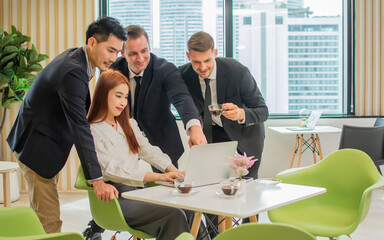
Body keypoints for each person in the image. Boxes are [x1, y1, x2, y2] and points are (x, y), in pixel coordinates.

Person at [6, 17, 127, 233]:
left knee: (41, 215)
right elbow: (79, 126)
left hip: (40, 139)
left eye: (117, 52)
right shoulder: (73, 70)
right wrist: (97, 180)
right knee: (50, 223)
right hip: (36, 148)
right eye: (110, 50)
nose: (113, 58)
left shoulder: (79, 58)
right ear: (92, 42)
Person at [85, 69, 210, 240]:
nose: (123, 102)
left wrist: (172, 170)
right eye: (118, 96)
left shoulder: (128, 124)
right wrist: (159, 177)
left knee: (187, 208)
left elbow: (148, 150)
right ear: (102, 95)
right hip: (116, 200)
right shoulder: (92, 131)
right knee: (174, 215)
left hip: (138, 192)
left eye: (126, 97)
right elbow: (113, 170)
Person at [179, 31, 269, 238]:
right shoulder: (183, 75)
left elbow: (263, 111)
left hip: (245, 137)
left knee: (247, 194)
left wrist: (240, 113)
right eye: (196, 62)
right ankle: (215, 235)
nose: (202, 67)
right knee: (209, 187)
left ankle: (250, 235)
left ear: (216, 53)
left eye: (207, 60)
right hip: (212, 137)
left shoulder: (237, 71)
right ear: (188, 57)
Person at [110, 25, 207, 169]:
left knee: (165, 188)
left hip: (161, 140)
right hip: (123, 139)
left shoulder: (164, 69)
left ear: (149, 46)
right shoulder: (114, 70)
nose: (140, 58)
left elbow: (181, 97)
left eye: (144, 51)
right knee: (125, 187)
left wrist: (195, 128)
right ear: (122, 53)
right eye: (133, 54)